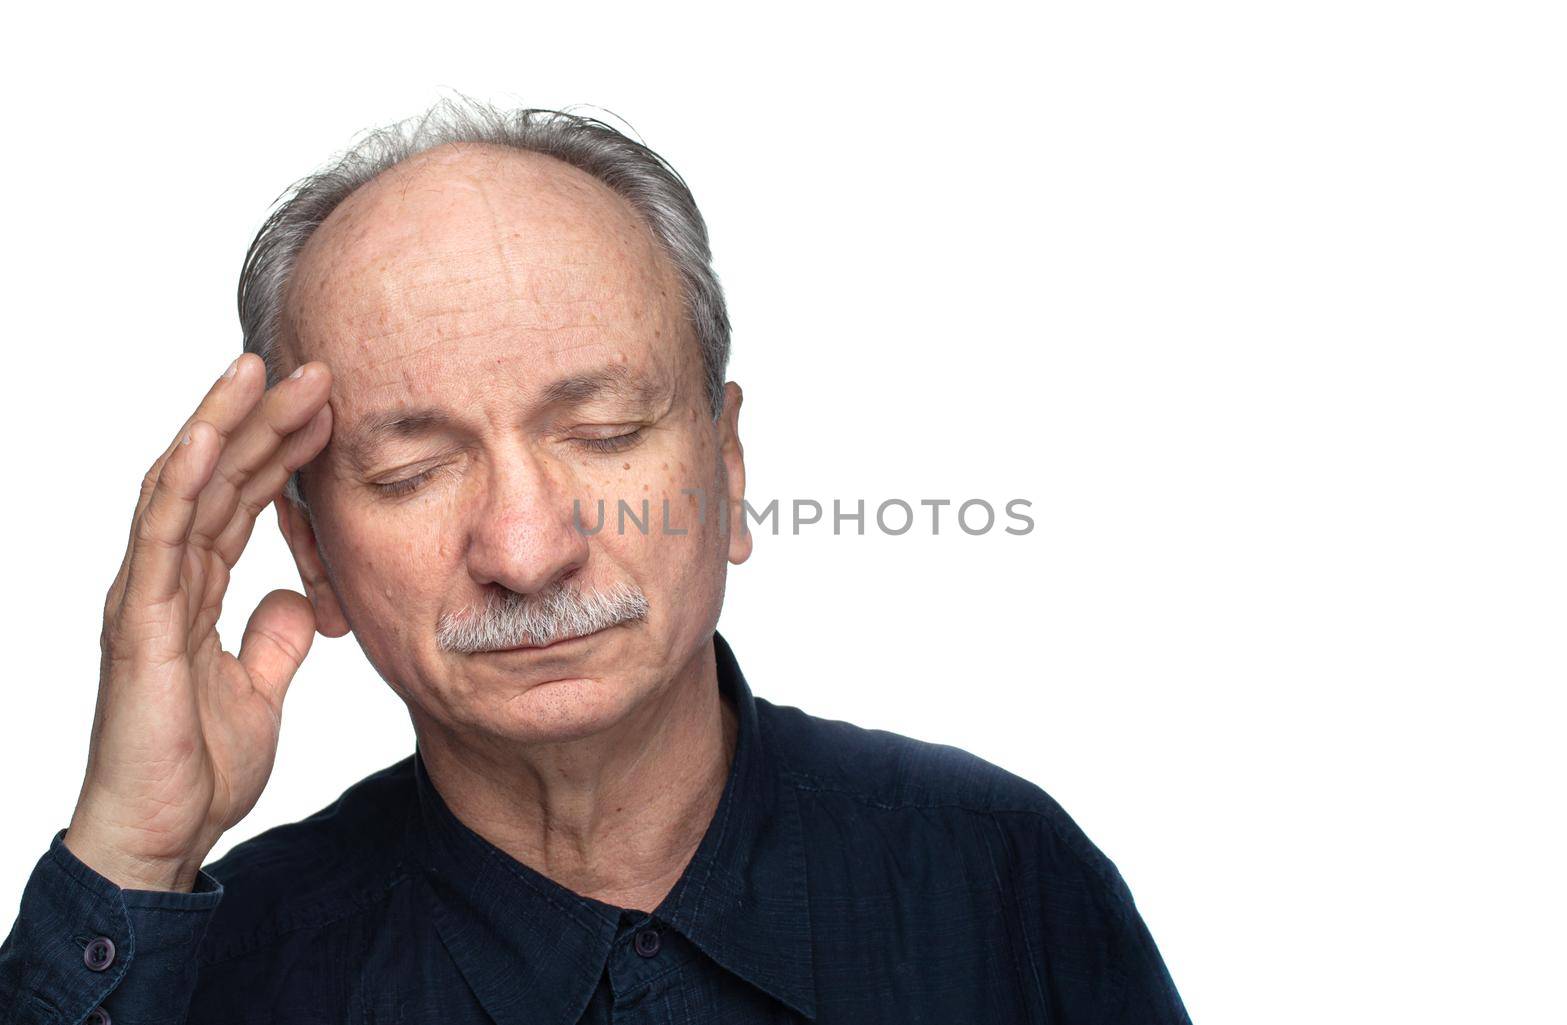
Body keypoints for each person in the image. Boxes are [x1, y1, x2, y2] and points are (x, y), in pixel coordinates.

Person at [0, 97, 1191, 1024]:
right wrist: (129, 852)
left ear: (725, 470)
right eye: (413, 470)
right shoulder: (209, 957)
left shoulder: (997, 872)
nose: (526, 550)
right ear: (312, 553)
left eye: (606, 434)